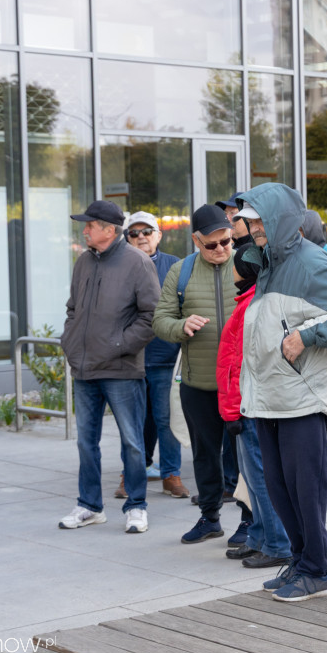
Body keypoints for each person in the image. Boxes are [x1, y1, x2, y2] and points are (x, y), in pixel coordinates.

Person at [235, 183, 327, 602]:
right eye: (250, 220)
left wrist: (309, 336)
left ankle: (317, 570)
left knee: (304, 489)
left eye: (257, 220)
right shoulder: (269, 262)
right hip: (269, 397)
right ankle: (301, 561)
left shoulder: (311, 263)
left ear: (278, 219)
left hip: (301, 399)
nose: (250, 227)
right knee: (278, 488)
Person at [58, 200, 160, 534]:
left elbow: (151, 315)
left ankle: (136, 506)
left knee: (132, 442)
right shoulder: (84, 262)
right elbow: (73, 308)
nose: (84, 229)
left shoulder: (137, 262)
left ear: (108, 230)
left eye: (89, 224)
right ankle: (89, 506)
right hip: (85, 368)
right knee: (86, 442)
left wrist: (118, 346)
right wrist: (71, 343)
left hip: (121, 369)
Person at [152, 204, 244, 545]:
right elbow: (160, 320)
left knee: (245, 456)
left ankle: (249, 521)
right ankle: (210, 518)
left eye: (227, 242)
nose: (221, 249)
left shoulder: (247, 263)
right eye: (212, 244)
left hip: (242, 383)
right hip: (199, 382)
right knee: (205, 455)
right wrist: (181, 326)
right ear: (196, 240)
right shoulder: (181, 271)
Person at [216, 242, 293, 569]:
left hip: (249, 406)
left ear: (245, 269)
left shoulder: (253, 305)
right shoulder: (250, 301)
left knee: (260, 478)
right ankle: (260, 536)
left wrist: (232, 411)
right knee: (252, 477)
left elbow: (239, 365)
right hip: (246, 405)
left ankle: (277, 544)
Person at [109, 211, 188, 500]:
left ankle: (171, 475)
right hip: (130, 360)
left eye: (147, 231)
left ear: (158, 235)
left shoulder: (176, 266)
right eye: (134, 232)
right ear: (126, 237)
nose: (141, 237)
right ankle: (130, 476)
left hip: (166, 358)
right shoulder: (116, 265)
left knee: (167, 421)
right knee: (132, 422)